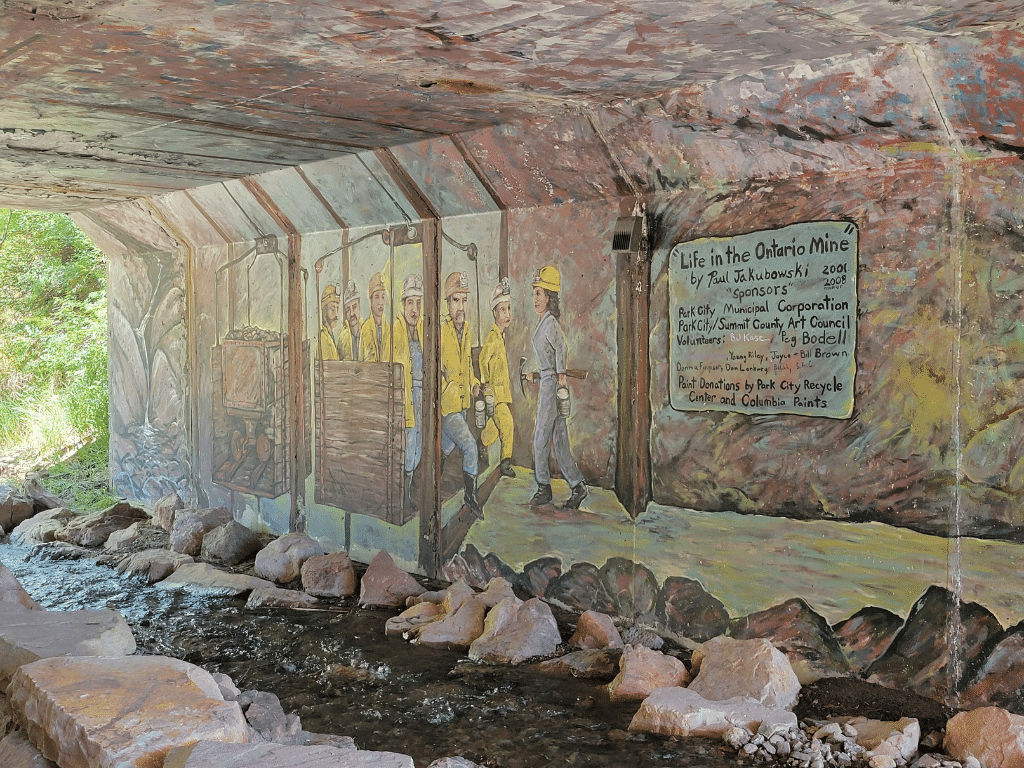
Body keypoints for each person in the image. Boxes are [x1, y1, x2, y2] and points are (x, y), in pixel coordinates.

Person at [529, 265, 587, 509]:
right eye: (534, 293)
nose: (535, 299)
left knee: (540, 437)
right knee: (560, 439)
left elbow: (561, 349)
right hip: (547, 380)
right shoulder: (544, 323)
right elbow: (550, 356)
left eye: (540, 293)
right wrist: (538, 373)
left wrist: (560, 373)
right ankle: (578, 486)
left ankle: (543, 487)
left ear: (550, 298)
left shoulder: (550, 323)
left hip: (552, 387)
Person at [440, 270, 483, 519]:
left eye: (464, 300)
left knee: (446, 448)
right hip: (448, 405)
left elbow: (467, 366)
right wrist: (446, 385)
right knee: (469, 446)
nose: (461, 306)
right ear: (448, 303)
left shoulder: (465, 330)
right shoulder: (441, 330)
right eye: (456, 300)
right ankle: (471, 498)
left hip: (464, 402)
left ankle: (432, 488)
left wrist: (475, 382)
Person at [393, 273, 424, 511]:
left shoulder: (422, 329)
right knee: (407, 443)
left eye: (418, 303)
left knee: (417, 444)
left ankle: (410, 492)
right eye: (410, 303)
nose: (415, 309)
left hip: (420, 395)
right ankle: (401, 497)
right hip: (404, 398)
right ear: (403, 305)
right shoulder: (396, 331)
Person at [479, 277, 515, 478]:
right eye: (503, 310)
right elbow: (483, 359)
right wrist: (485, 384)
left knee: (494, 428)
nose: (507, 314)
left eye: (509, 309)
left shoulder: (500, 337)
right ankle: (505, 462)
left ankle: (480, 445)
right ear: (494, 313)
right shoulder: (492, 338)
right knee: (507, 425)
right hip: (494, 394)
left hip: (503, 393)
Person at [359, 272, 391, 363]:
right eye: (377, 297)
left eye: (383, 297)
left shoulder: (389, 330)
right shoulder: (365, 329)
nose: (380, 302)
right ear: (371, 301)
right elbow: (360, 361)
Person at [338, 281, 362, 361]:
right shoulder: (342, 339)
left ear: (359, 307)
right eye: (348, 309)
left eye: (354, 307)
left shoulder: (367, 332)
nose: (351, 313)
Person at [318, 284, 341, 361]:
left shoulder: (330, 336)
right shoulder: (323, 339)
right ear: (324, 311)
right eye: (332, 309)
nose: (336, 315)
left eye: (337, 309)